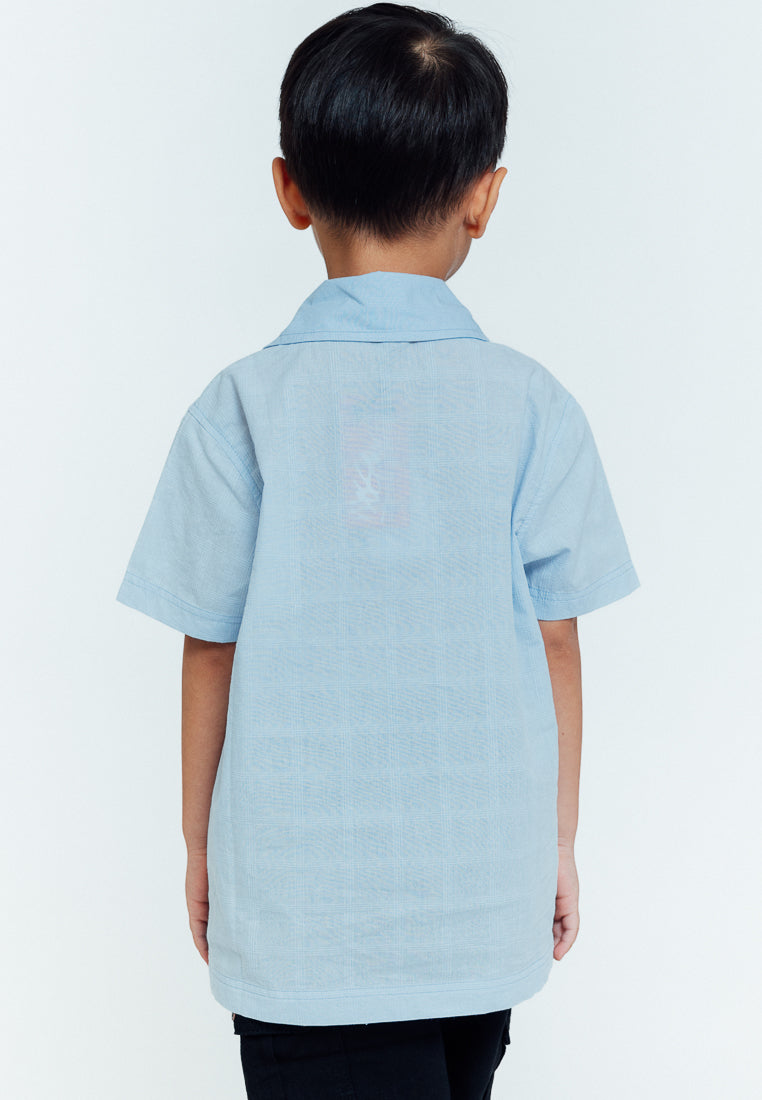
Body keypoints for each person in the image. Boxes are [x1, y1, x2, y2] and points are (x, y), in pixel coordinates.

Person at [115, 4, 641, 1097]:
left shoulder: (240, 407)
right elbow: (557, 641)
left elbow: (210, 648)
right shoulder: (532, 405)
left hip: (301, 917)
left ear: (289, 189)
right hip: (479, 903)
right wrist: (557, 844)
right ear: (485, 196)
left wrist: (201, 846)